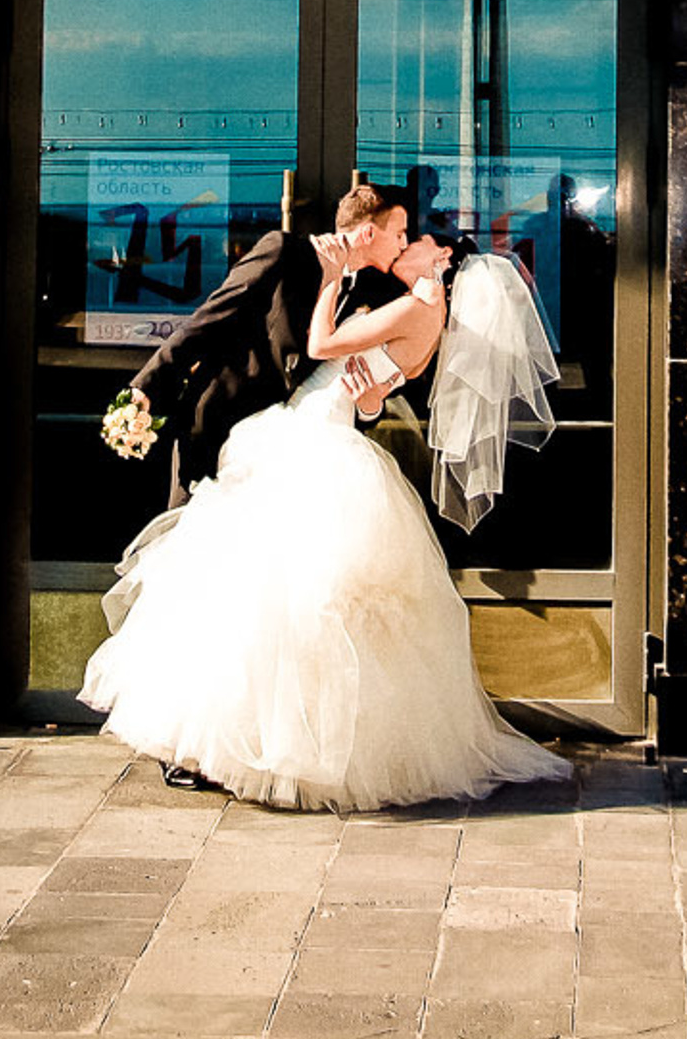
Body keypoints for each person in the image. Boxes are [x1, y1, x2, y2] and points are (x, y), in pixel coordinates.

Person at [81, 229, 571, 812]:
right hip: (308, 434)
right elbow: (380, 389)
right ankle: (257, 740)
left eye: (418, 240)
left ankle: (270, 745)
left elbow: (322, 342)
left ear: (442, 259)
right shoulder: (419, 308)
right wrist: (368, 400)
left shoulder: (419, 303)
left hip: (314, 447)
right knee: (269, 601)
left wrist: (335, 279)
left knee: (278, 603)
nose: (407, 242)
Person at [125, 182, 408, 511]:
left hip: (287, 450)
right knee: (188, 539)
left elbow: (346, 380)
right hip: (223, 419)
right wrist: (147, 386)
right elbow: (209, 320)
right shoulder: (284, 251)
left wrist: (370, 407)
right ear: (369, 234)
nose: (404, 244)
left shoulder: (373, 293)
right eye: (399, 233)